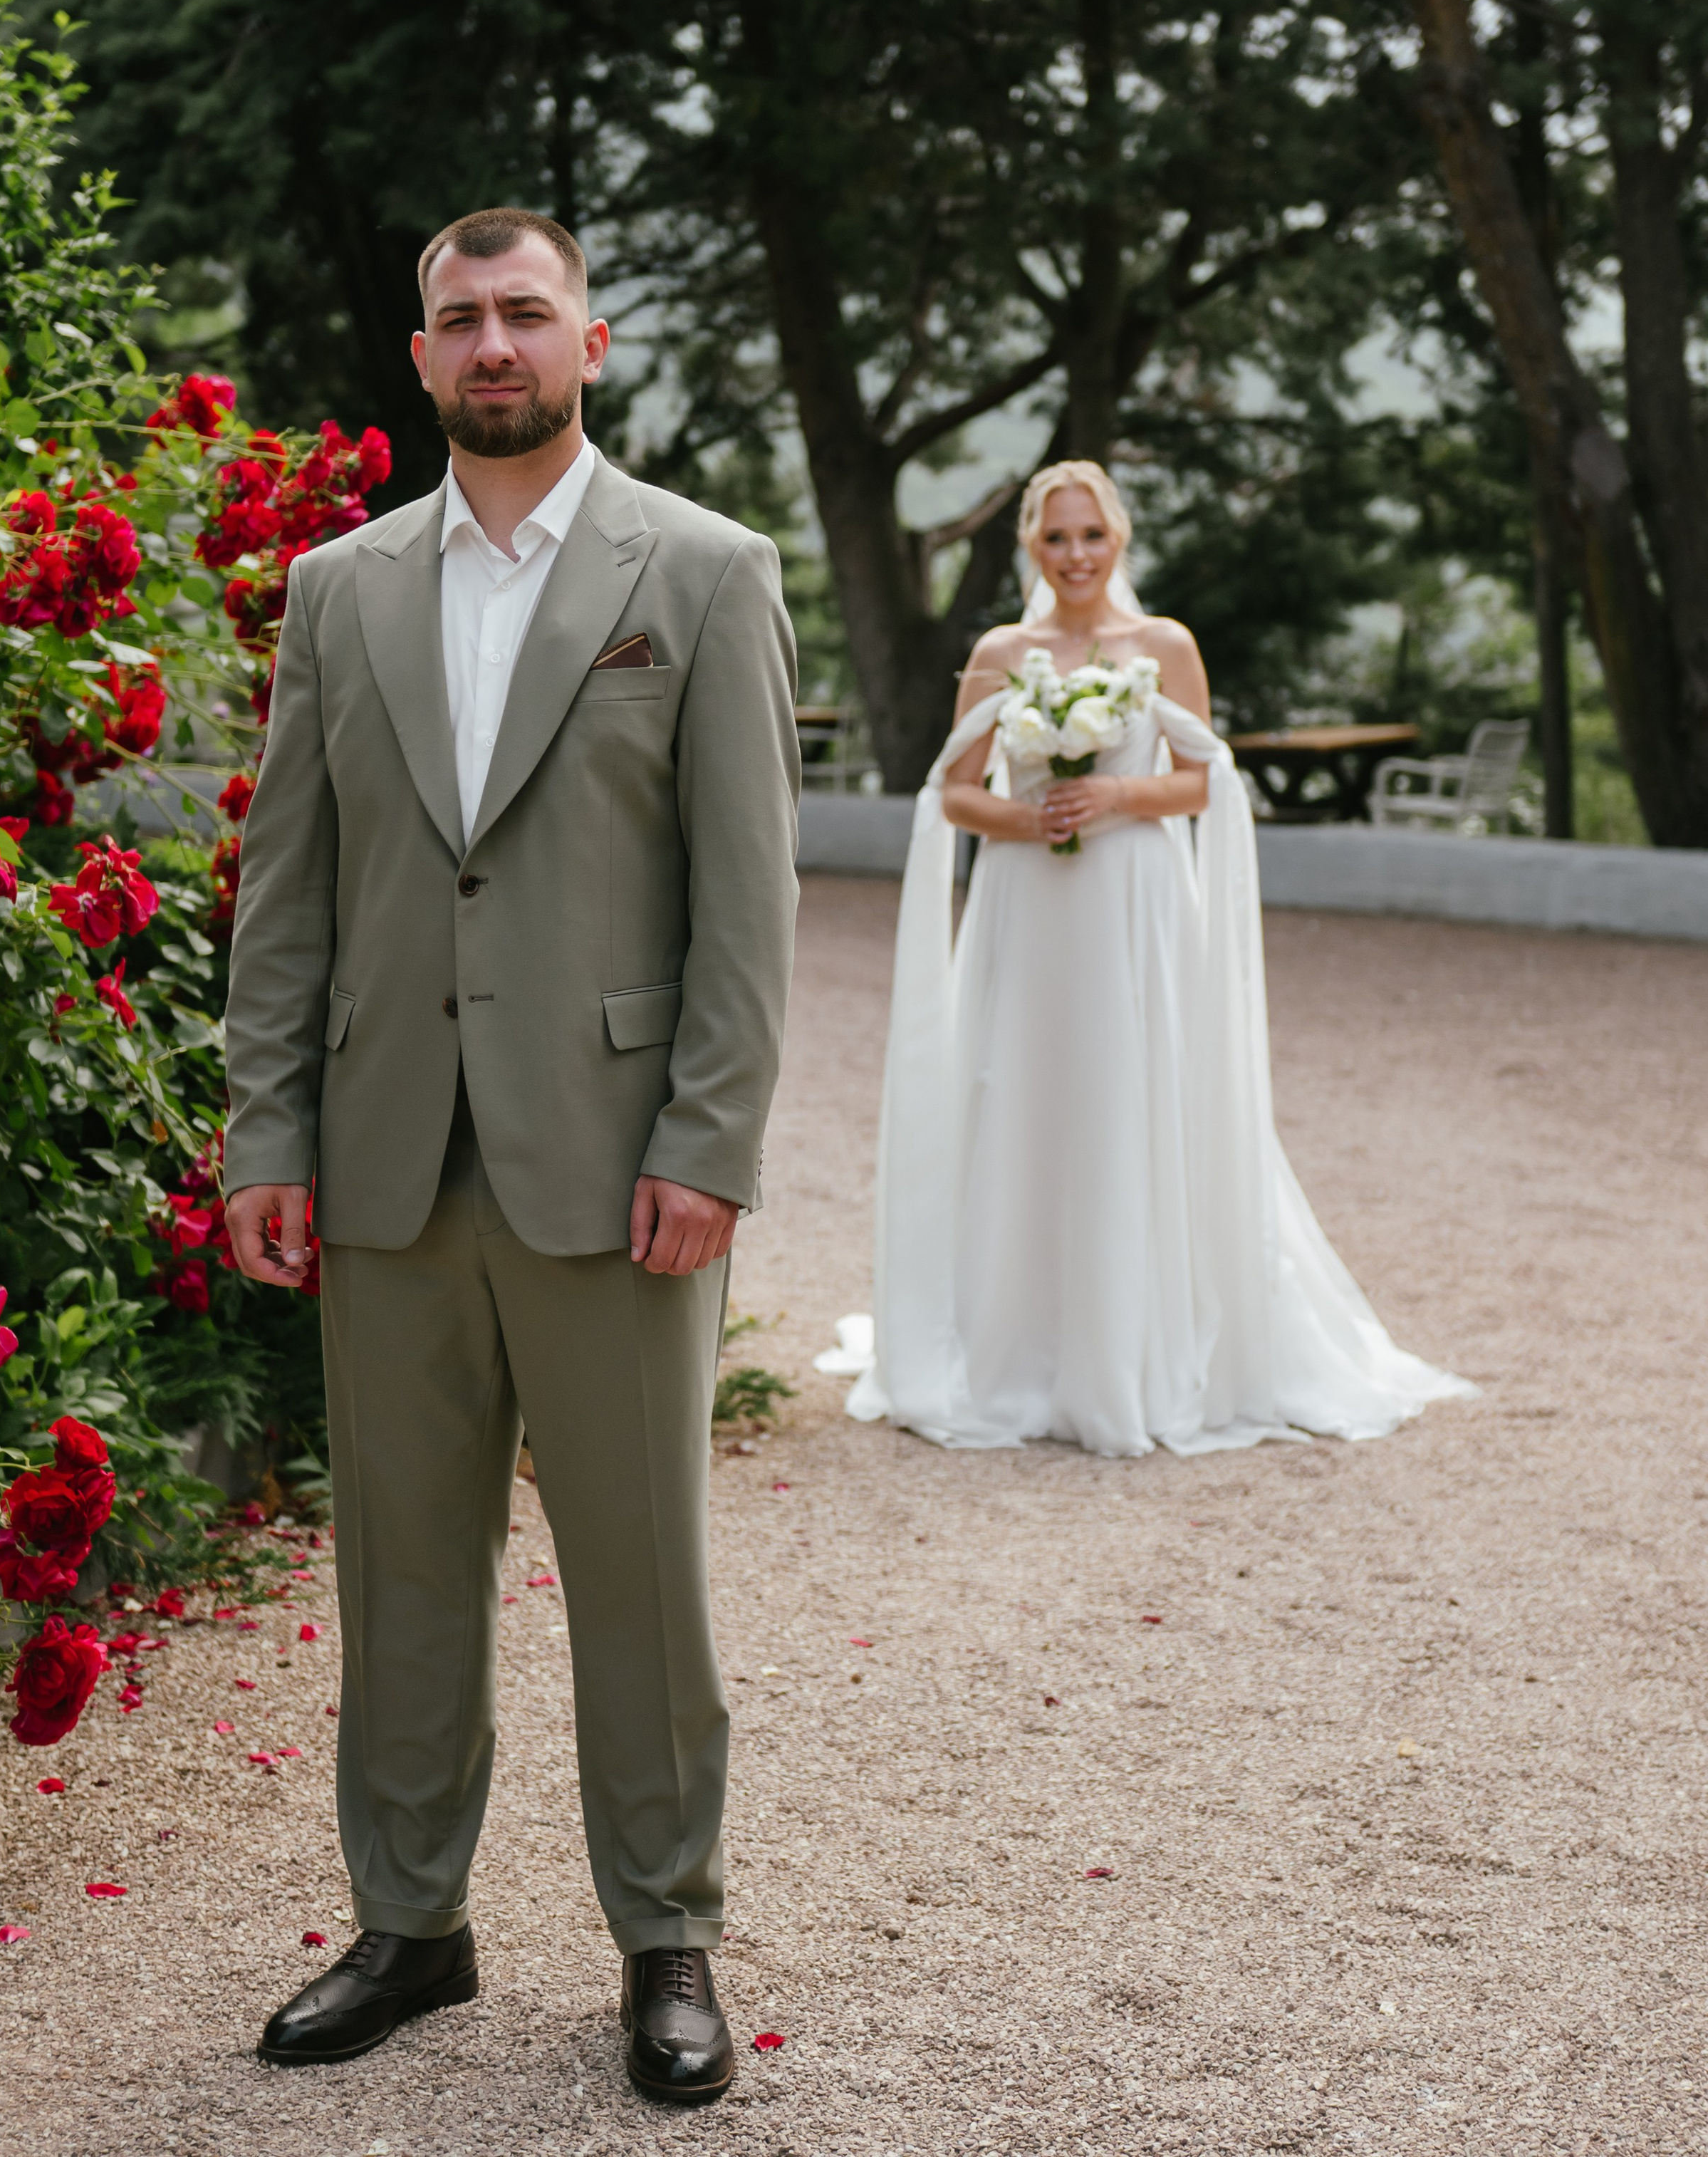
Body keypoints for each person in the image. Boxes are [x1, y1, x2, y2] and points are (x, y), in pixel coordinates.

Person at [222, 207, 800, 2102]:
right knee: (402, 1566)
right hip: (386, 1161)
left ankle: (667, 1935)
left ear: (591, 343)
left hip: (620, 1167)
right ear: (419, 357)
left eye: (525, 313)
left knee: (642, 1571)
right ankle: (411, 1924)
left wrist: (710, 1138)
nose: (494, 343)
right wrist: (268, 1131)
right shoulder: (339, 590)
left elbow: (747, 904)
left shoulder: (700, 575)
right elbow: (288, 902)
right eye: (460, 318)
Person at [841, 457, 1472, 1455]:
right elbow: (953, 789)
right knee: (1025, 1091)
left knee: (1134, 1088)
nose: (1077, 554)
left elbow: (1203, 780)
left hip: (1133, 900)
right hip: (1030, 903)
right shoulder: (1003, 652)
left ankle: (1136, 1341)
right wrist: (1024, 816)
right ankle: (1020, 1339)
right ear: (1032, 549)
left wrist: (1118, 796)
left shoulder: (1162, 645)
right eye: (1057, 538)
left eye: (1092, 535)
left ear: (1119, 539)